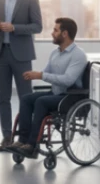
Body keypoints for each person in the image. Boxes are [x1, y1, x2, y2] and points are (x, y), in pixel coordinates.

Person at [6, 18, 87, 158]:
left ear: (65, 33)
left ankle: (32, 146)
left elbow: (68, 80)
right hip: (56, 93)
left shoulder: (78, 55)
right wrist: (34, 75)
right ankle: (22, 141)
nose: (52, 33)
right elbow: (46, 73)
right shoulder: (55, 53)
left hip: (70, 96)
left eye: (55, 30)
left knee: (41, 102)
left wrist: (41, 75)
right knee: (26, 99)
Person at [0, 0, 43, 152]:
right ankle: (7, 137)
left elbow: (37, 26)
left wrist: (14, 28)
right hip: (1, 54)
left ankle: (26, 138)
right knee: (3, 98)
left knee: (25, 97)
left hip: (22, 55)